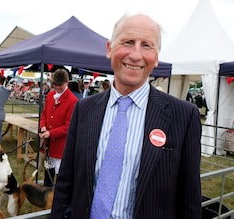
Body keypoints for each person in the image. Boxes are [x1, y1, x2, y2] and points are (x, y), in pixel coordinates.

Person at [51, 14, 202, 219]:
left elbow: (190, 201)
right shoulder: (84, 109)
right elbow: (65, 185)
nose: (135, 54)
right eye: (128, 42)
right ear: (109, 49)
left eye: (147, 45)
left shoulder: (183, 116)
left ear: (156, 57)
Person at [39, 69, 77, 187]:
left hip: (61, 145)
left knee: (61, 177)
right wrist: (43, 126)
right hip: (49, 144)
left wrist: (51, 133)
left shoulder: (73, 100)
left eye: (60, 85)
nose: (57, 87)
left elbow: (68, 126)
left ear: (67, 83)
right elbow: (44, 114)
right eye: (55, 84)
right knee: (48, 173)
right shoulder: (50, 95)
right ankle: (46, 196)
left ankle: (59, 201)